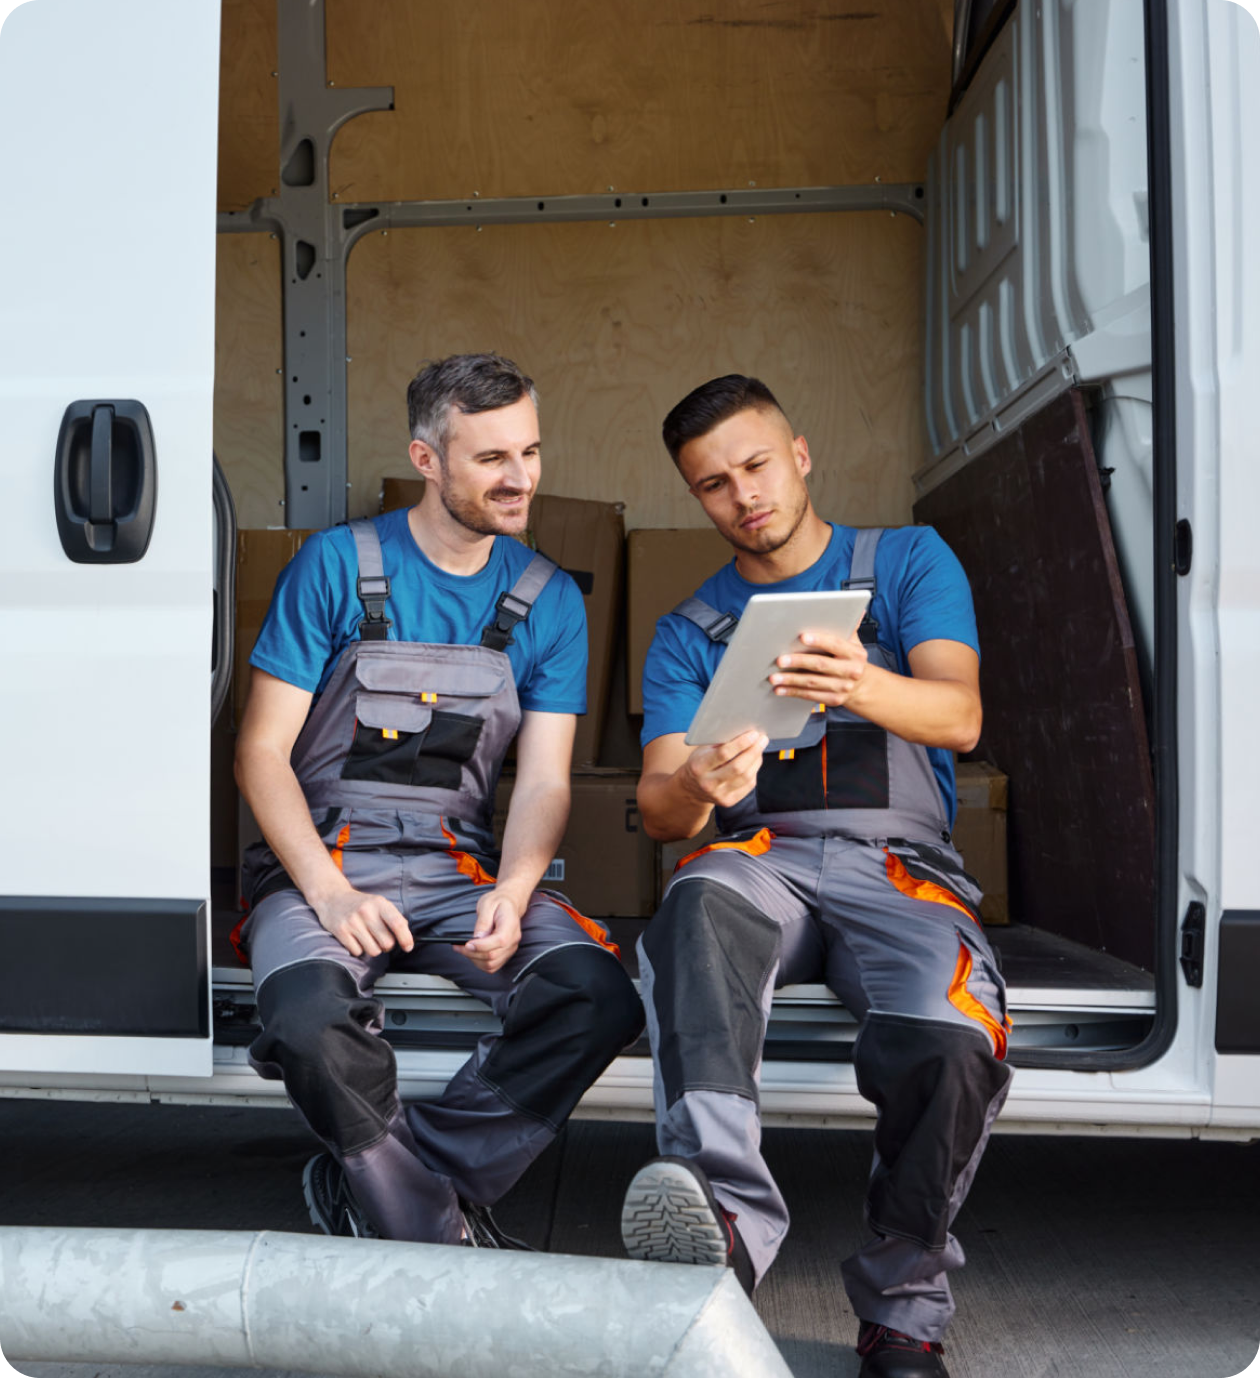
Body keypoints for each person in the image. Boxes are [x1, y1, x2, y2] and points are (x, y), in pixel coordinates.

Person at [620, 375, 1011, 1377]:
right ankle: (724, 1232)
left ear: (798, 454)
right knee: (691, 909)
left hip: (900, 862)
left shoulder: (909, 561)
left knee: (953, 1036)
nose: (741, 495)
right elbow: (659, 809)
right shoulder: (687, 630)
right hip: (764, 857)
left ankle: (903, 1308)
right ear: (697, 498)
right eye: (713, 484)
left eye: (754, 465)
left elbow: (960, 718)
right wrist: (700, 781)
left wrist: (863, 683)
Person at [234, 352, 643, 1249]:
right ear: (427, 459)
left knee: (599, 995)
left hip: (458, 866)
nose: (521, 478)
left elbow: (541, 779)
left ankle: (393, 1176)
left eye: (530, 452)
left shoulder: (546, 600)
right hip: (323, 859)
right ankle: (430, 1228)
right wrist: (328, 892)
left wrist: (519, 884)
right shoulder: (337, 566)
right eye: (492, 458)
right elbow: (259, 753)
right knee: (306, 1021)